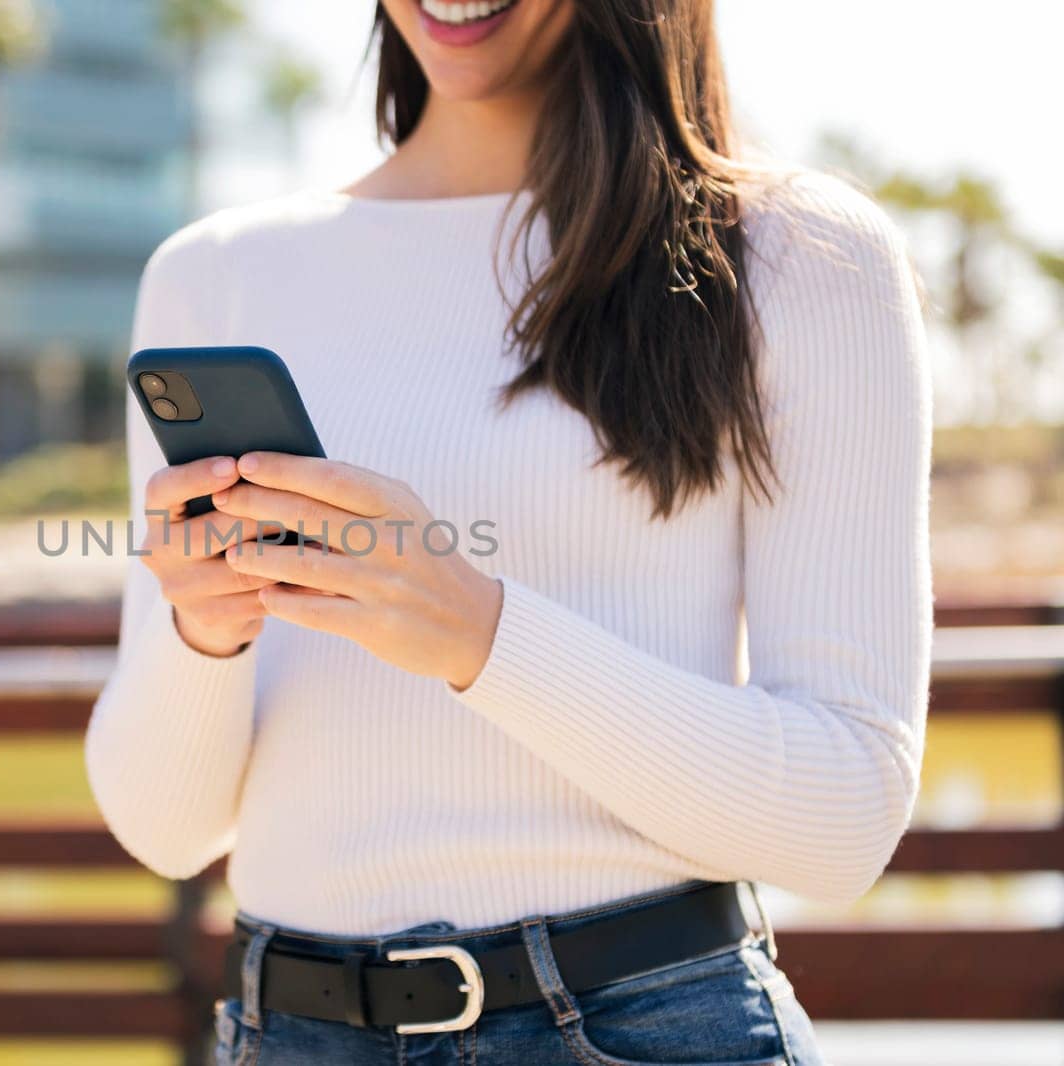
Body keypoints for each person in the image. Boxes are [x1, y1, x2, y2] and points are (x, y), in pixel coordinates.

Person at [85, 1, 931, 1062]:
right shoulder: (214, 273)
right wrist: (201, 635)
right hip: (288, 1028)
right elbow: (166, 828)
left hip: (646, 1025)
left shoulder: (795, 254)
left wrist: (477, 632)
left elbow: (842, 811)